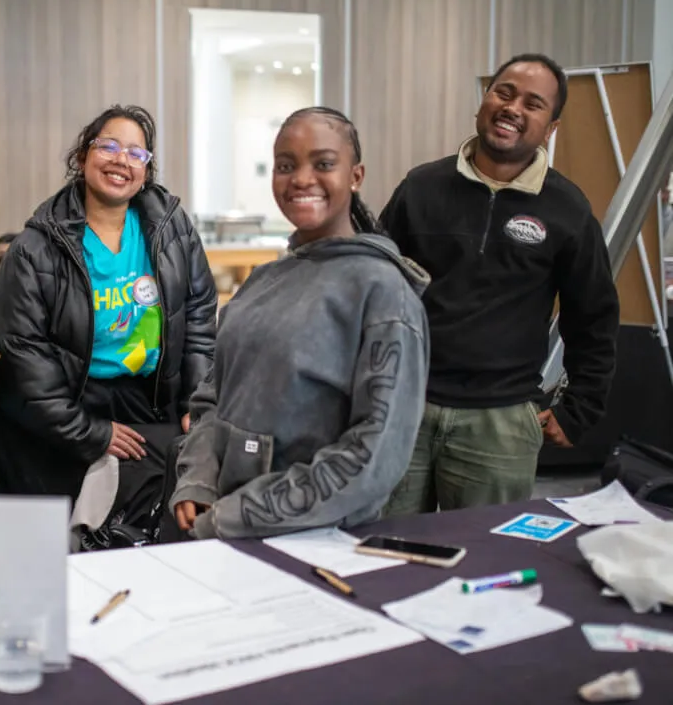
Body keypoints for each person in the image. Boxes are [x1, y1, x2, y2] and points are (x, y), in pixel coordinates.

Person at [170, 107, 430, 540]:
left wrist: (237, 515)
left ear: (356, 175)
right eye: (286, 166)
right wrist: (197, 477)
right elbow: (213, 397)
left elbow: (373, 455)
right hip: (220, 530)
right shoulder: (262, 280)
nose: (301, 179)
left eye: (324, 164)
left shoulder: (383, 292)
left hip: (316, 541)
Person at [382, 53, 619, 516]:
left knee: (485, 566)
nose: (513, 108)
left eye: (533, 104)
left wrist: (580, 410)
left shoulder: (567, 209)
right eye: (504, 92)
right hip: (403, 409)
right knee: (382, 553)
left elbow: (593, 317)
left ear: (550, 128)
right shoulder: (422, 187)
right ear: (484, 100)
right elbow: (375, 289)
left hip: (502, 424)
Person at [0, 104, 217, 531]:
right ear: (82, 157)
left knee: (147, 537)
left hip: (151, 403)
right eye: (108, 146)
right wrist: (92, 432)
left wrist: (194, 404)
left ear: (146, 169)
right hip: (66, 410)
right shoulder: (37, 247)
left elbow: (199, 320)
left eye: (135, 153)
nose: (120, 160)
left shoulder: (172, 229)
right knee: (63, 549)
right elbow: (23, 360)